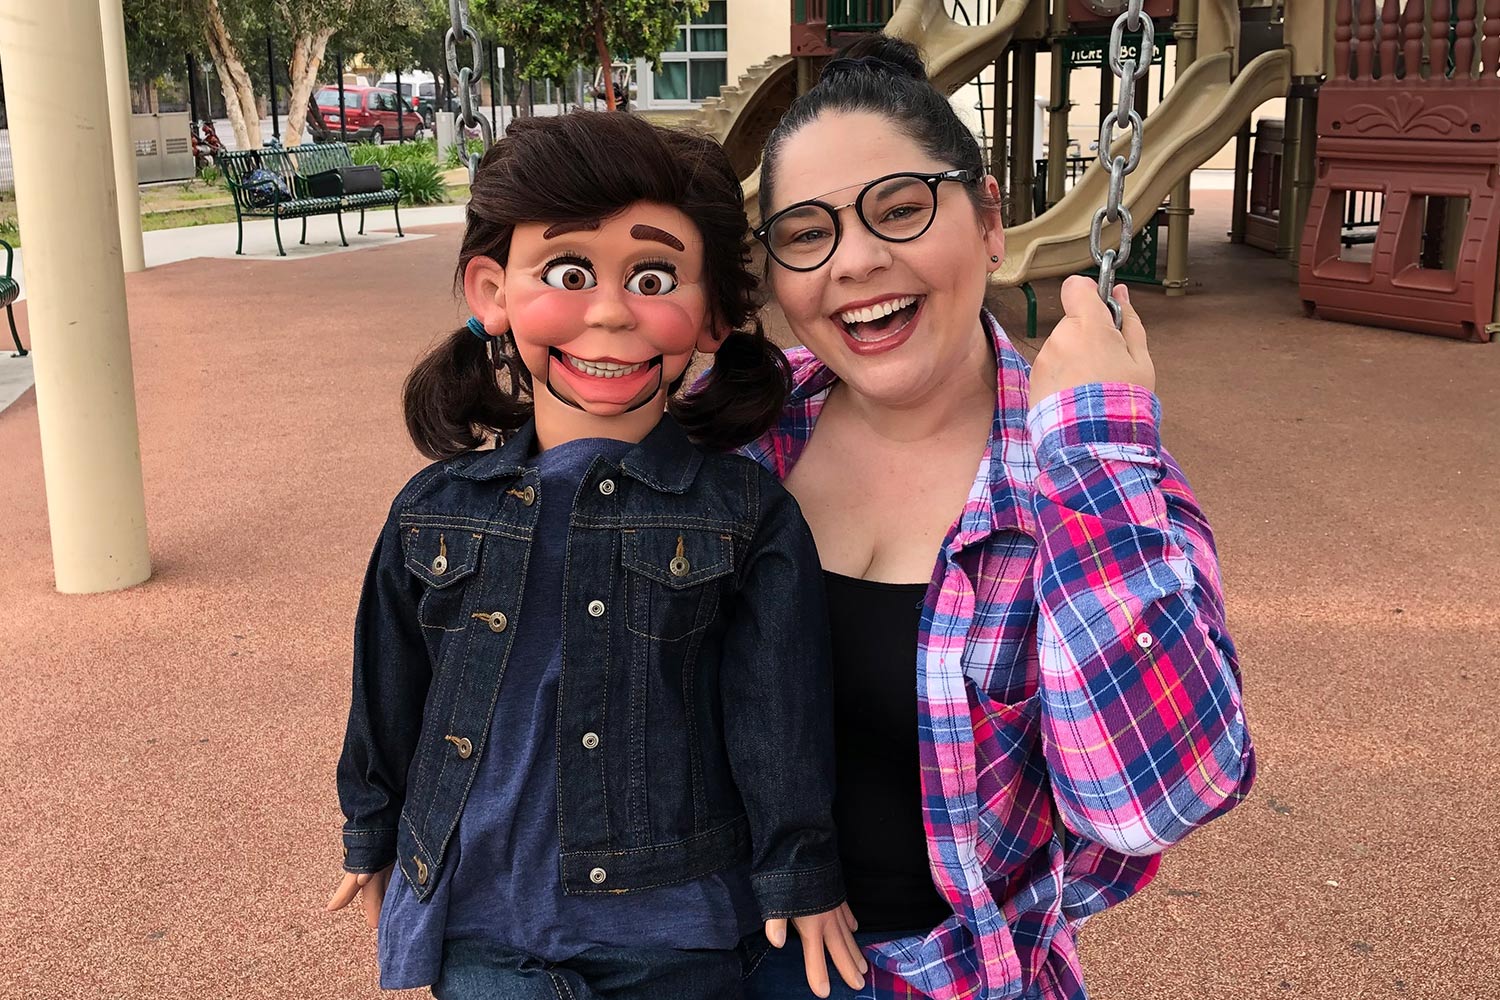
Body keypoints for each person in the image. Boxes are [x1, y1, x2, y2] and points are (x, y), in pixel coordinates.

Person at [736, 36, 1256, 1000]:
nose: (854, 261)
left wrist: (1094, 454)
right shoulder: (744, 444)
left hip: (947, 976)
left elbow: (1151, 802)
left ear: (989, 226)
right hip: (709, 961)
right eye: (806, 233)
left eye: (900, 209)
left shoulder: (1090, 478)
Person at [326, 111, 867, 1000]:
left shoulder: (741, 515)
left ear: (714, 317)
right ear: (491, 290)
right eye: (569, 273)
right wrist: (372, 831)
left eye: (654, 277)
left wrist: (801, 871)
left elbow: (776, 711)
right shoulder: (435, 509)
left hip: (676, 929)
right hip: (481, 927)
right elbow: (388, 689)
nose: (611, 311)